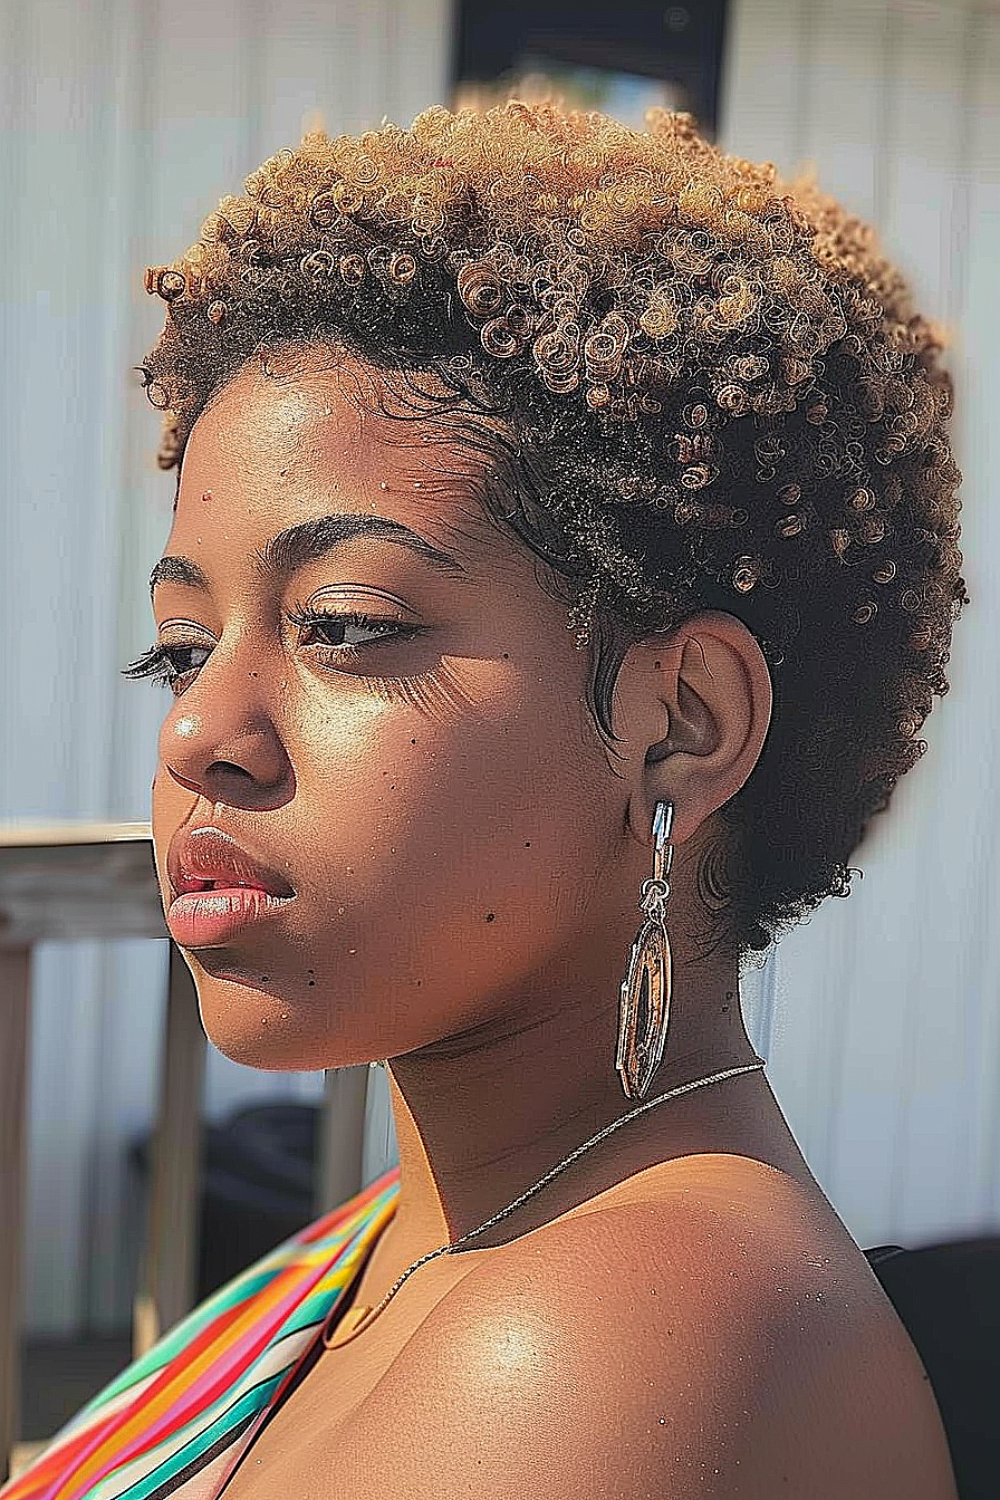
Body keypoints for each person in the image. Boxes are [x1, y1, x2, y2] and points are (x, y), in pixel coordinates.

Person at [4, 101, 966, 1500]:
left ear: (683, 726)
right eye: (183, 646)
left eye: (342, 623)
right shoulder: (403, 1242)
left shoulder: (612, 1345)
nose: (202, 730)